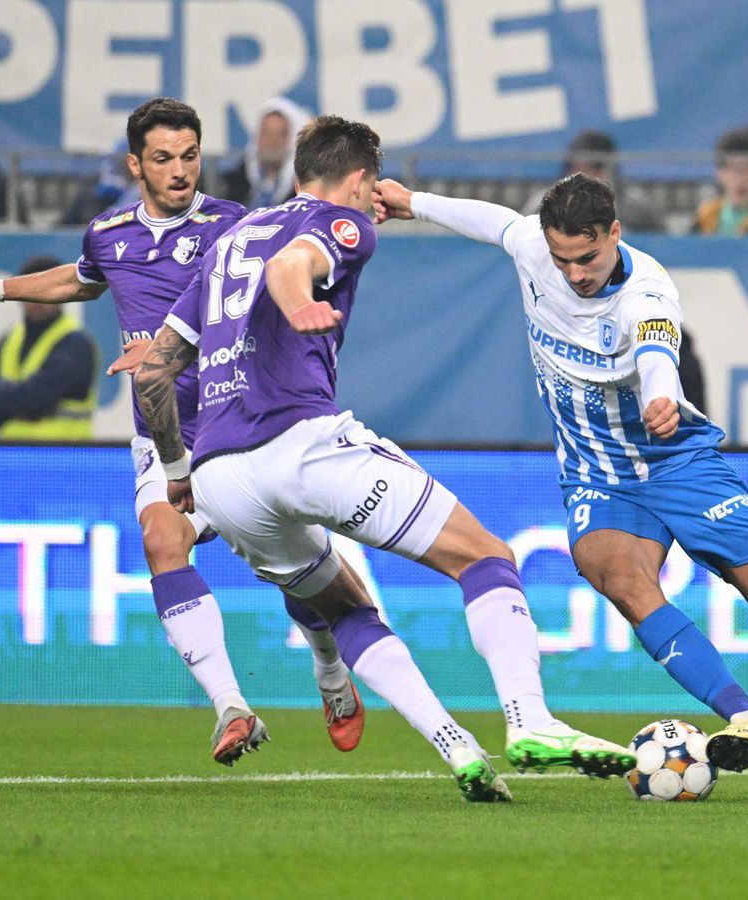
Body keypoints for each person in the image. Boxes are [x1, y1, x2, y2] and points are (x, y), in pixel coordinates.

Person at [372, 173, 748, 800]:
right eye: (563, 260)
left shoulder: (648, 291)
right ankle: (744, 719)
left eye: (587, 258)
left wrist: (662, 393)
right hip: (596, 473)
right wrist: (414, 204)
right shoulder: (537, 249)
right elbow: (494, 221)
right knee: (620, 578)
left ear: (615, 233)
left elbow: (657, 349)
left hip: (676, 462)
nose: (575, 274)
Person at [133, 115, 636, 802]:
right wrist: (297, 302)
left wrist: (177, 473)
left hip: (221, 477)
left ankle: (457, 747)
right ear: (360, 178)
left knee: (343, 607)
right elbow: (291, 266)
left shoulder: (227, 241)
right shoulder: (345, 225)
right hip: (300, 444)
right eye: (373, 186)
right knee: (485, 556)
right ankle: (531, 719)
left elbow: (152, 374)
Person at [0, 98, 360, 766]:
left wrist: (170, 346)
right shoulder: (110, 233)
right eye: (163, 158)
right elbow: (81, 279)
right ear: (136, 165)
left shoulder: (236, 224)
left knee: (300, 578)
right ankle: (231, 709)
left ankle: (330, 668)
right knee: (162, 541)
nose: (179, 170)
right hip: (164, 440)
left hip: (240, 424)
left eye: (189, 155)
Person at [0, 256, 97, 439]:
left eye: (44, 292)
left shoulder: (75, 342)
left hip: (64, 456)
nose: (36, 300)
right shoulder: (11, 338)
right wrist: (21, 400)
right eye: (31, 291)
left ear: (62, 295)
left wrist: (2, 397)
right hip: (11, 455)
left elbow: (35, 398)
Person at [523, 130, 667, 234]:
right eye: (576, 168)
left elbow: (662, 243)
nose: (582, 177)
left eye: (592, 169)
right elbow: (523, 237)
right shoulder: (544, 202)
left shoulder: (636, 205)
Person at [220, 97, 309, 210]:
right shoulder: (234, 184)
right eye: (266, 133)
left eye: (281, 134)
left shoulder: (304, 195)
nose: (272, 142)